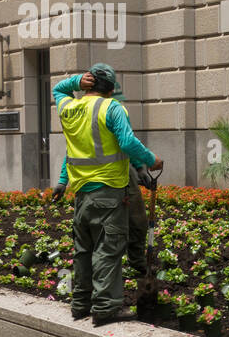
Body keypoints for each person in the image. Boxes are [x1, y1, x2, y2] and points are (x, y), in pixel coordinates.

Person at [53, 64, 161, 327]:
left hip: (81, 196)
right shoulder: (112, 108)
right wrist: (150, 160)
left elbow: (58, 89)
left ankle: (80, 305)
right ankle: (104, 308)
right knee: (108, 250)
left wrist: (77, 80)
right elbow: (126, 143)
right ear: (112, 89)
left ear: (89, 84)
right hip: (109, 193)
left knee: (84, 251)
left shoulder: (68, 108)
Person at [53, 85, 155, 278]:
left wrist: (139, 167)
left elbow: (124, 143)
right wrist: (62, 181)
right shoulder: (93, 112)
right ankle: (104, 277)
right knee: (102, 233)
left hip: (122, 174)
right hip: (99, 184)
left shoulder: (115, 111)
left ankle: (136, 261)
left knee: (138, 220)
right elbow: (73, 153)